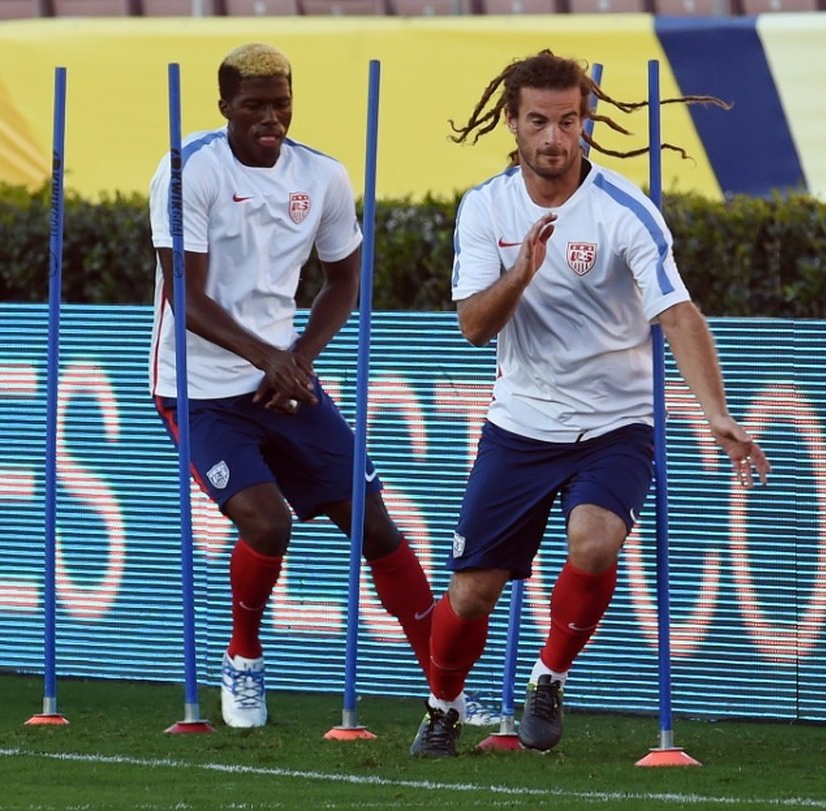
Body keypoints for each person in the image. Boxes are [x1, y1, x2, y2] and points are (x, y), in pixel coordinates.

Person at [410, 49, 771, 757]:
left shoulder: (623, 209)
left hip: (616, 422)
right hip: (520, 424)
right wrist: (522, 271)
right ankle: (443, 707)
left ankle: (548, 679)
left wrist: (717, 413)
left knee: (594, 541)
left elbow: (679, 313)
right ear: (511, 123)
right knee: (471, 594)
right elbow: (475, 327)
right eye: (538, 122)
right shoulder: (485, 207)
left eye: (568, 121)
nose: (553, 138)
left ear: (587, 122)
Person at [147, 42, 445, 729]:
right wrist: (268, 358)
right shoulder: (187, 169)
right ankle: (244, 656)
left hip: (284, 380)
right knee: (268, 522)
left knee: (374, 524)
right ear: (224, 105)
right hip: (198, 387)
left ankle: (446, 688)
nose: (270, 118)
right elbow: (185, 298)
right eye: (254, 105)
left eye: (281, 103)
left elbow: (345, 281)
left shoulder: (324, 175)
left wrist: (298, 359)